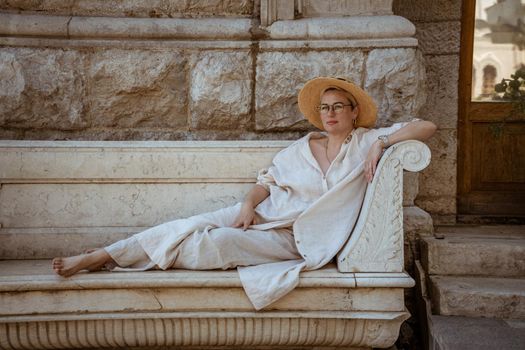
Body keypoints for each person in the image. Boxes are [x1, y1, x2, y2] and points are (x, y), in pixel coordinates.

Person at [52, 76, 436, 310]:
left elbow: (426, 127)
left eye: (338, 107)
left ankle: (117, 256)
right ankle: (102, 255)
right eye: (324, 108)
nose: (330, 114)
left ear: (354, 112)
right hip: (261, 213)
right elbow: (265, 183)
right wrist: (249, 206)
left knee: (210, 245)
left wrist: (383, 141)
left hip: (296, 237)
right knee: (185, 224)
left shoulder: (366, 141)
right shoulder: (299, 148)